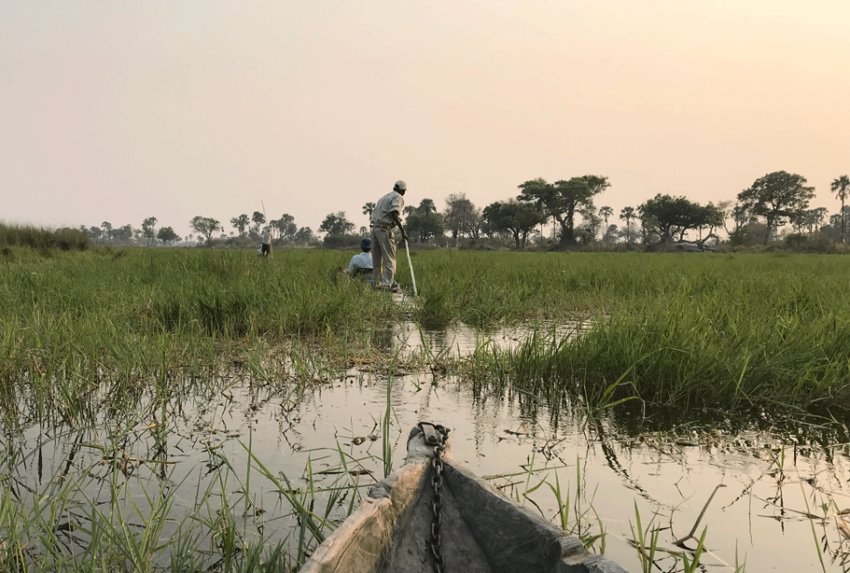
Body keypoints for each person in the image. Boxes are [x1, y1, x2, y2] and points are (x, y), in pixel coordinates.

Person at [370, 180, 409, 291]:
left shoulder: (383, 198)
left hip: (375, 229)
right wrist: (402, 230)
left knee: (376, 259)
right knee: (390, 259)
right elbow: (394, 213)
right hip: (384, 230)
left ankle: (377, 283)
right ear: (402, 190)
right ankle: (387, 284)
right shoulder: (398, 197)